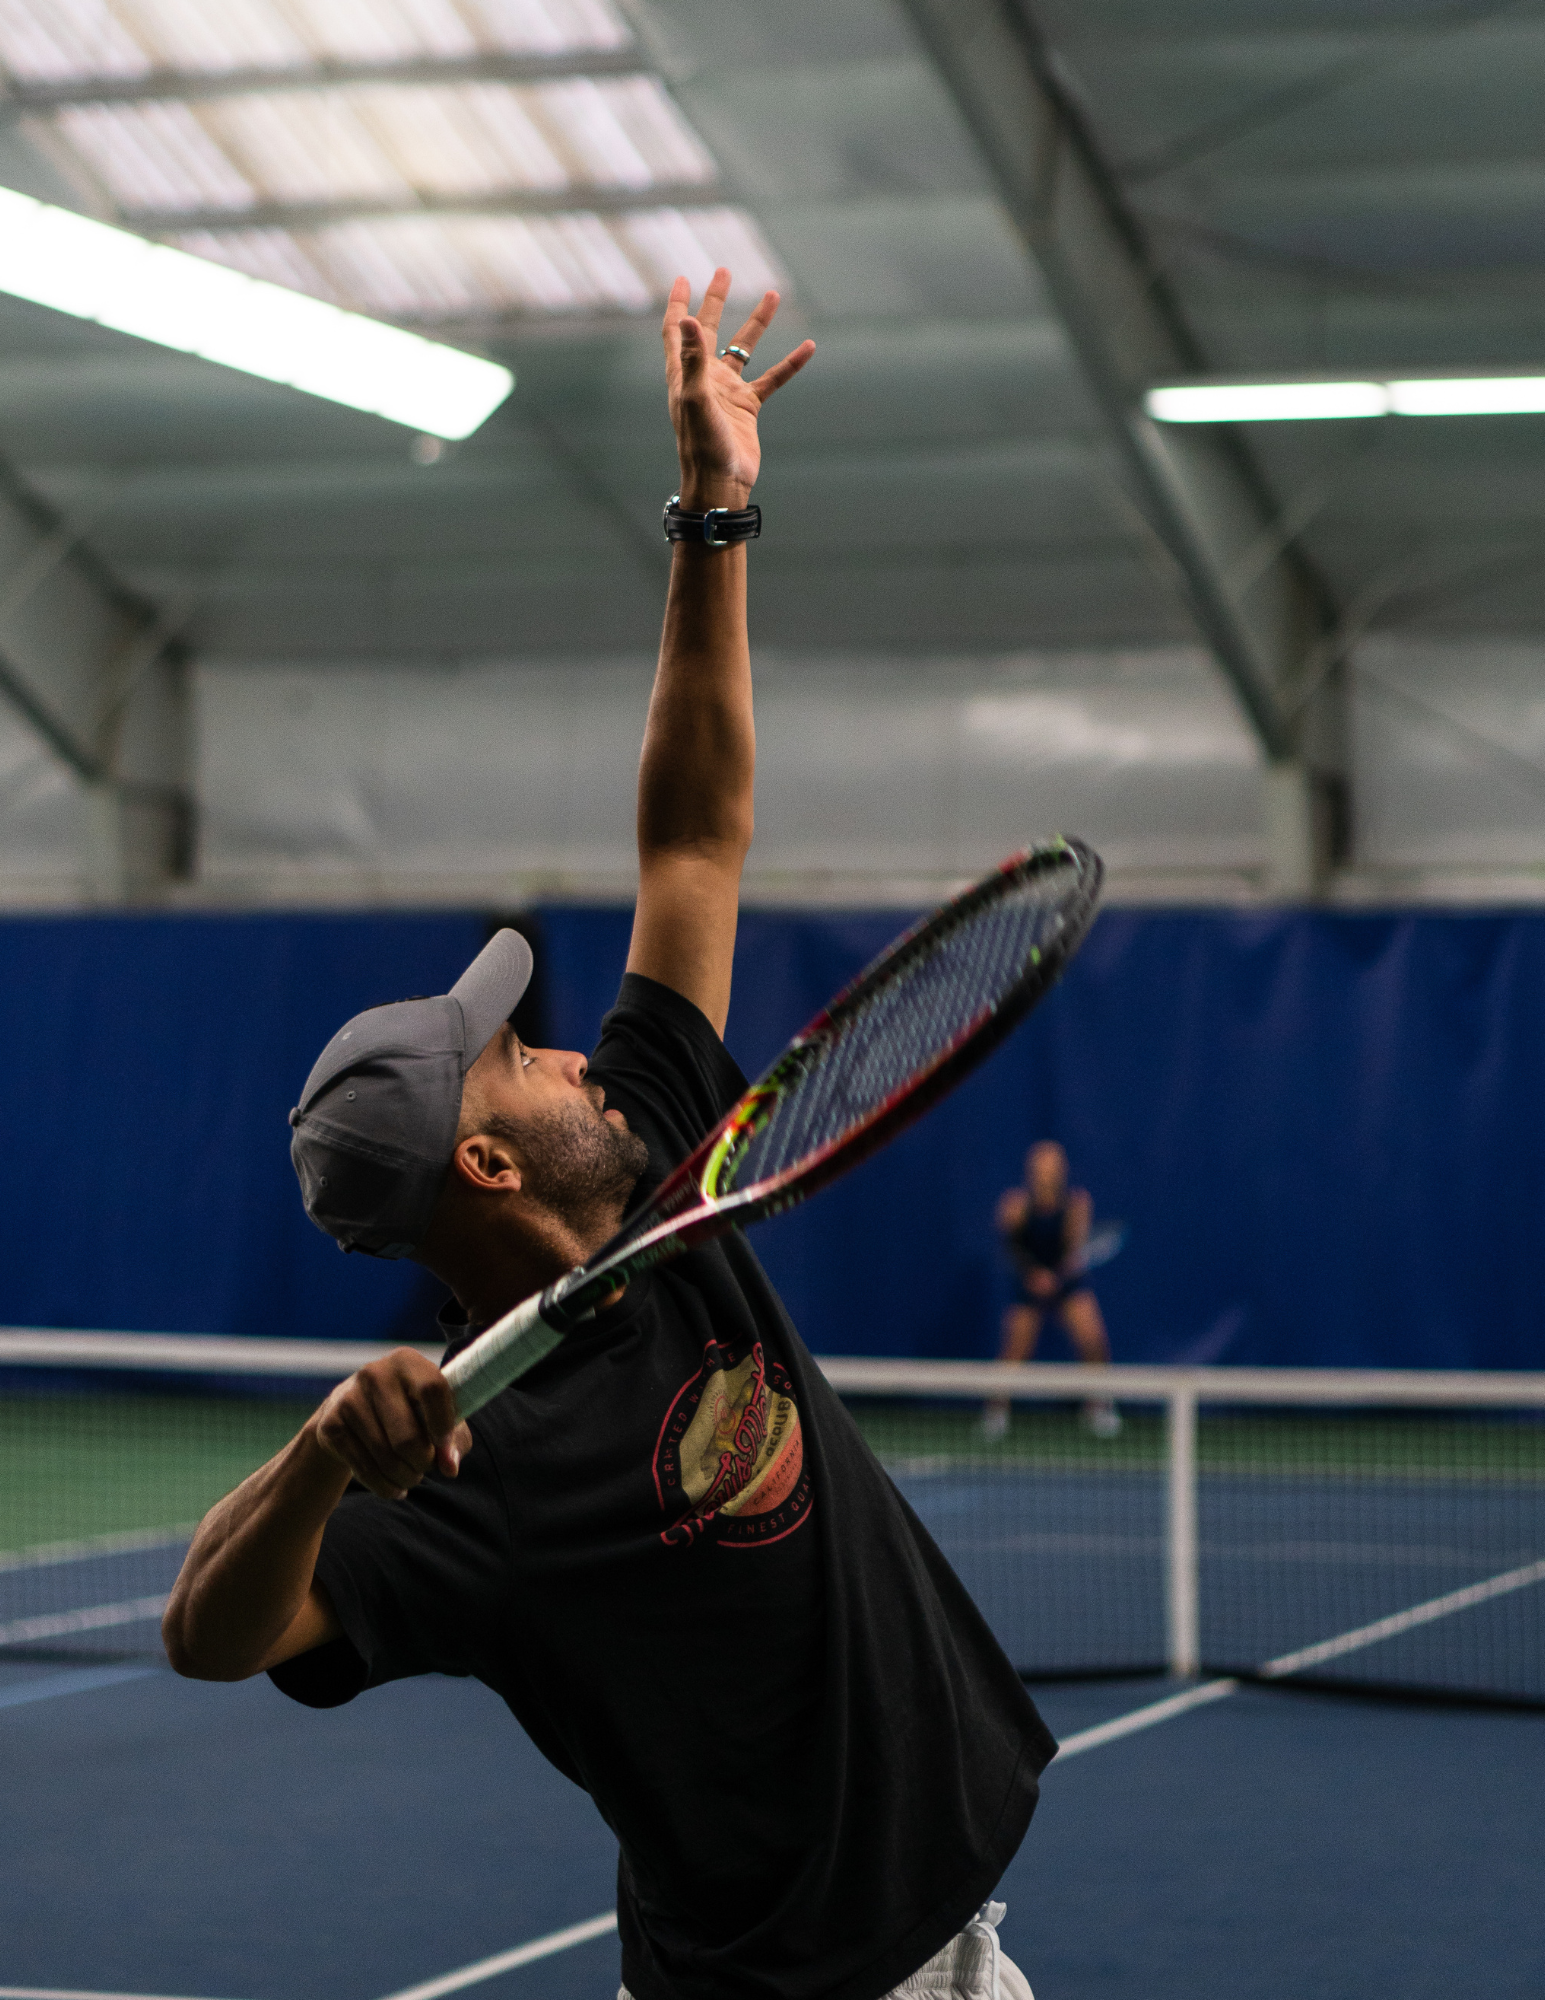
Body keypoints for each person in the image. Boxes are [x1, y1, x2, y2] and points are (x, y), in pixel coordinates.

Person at [162, 270, 1051, 2000]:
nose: (570, 1053)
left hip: (947, 1947)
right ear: (483, 1167)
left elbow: (693, 834)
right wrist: (327, 1459)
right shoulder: (462, 1453)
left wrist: (715, 512)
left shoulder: (653, 1145)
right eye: (521, 1062)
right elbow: (211, 1630)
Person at [984, 1141, 1117, 1441]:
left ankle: (1098, 1406)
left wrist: (1057, 1275)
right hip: (1029, 1278)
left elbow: (1075, 1249)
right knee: (1015, 1350)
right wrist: (1033, 1274)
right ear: (1031, 1171)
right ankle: (996, 1412)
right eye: (1041, 1166)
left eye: (1052, 1166)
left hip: (1065, 1282)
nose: (1046, 1172)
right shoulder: (1015, 1204)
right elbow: (1010, 1249)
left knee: (1094, 1340)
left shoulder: (1077, 1204)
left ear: (1062, 1170)